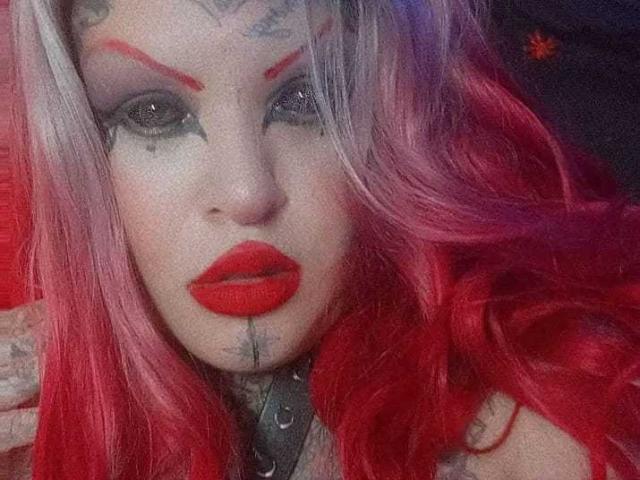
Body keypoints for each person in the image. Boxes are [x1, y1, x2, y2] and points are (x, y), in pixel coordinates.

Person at [2, 0, 640, 479]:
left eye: (309, 98)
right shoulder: (29, 407)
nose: (248, 193)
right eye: (151, 112)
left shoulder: (541, 435)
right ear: (74, 142)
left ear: (397, 116)